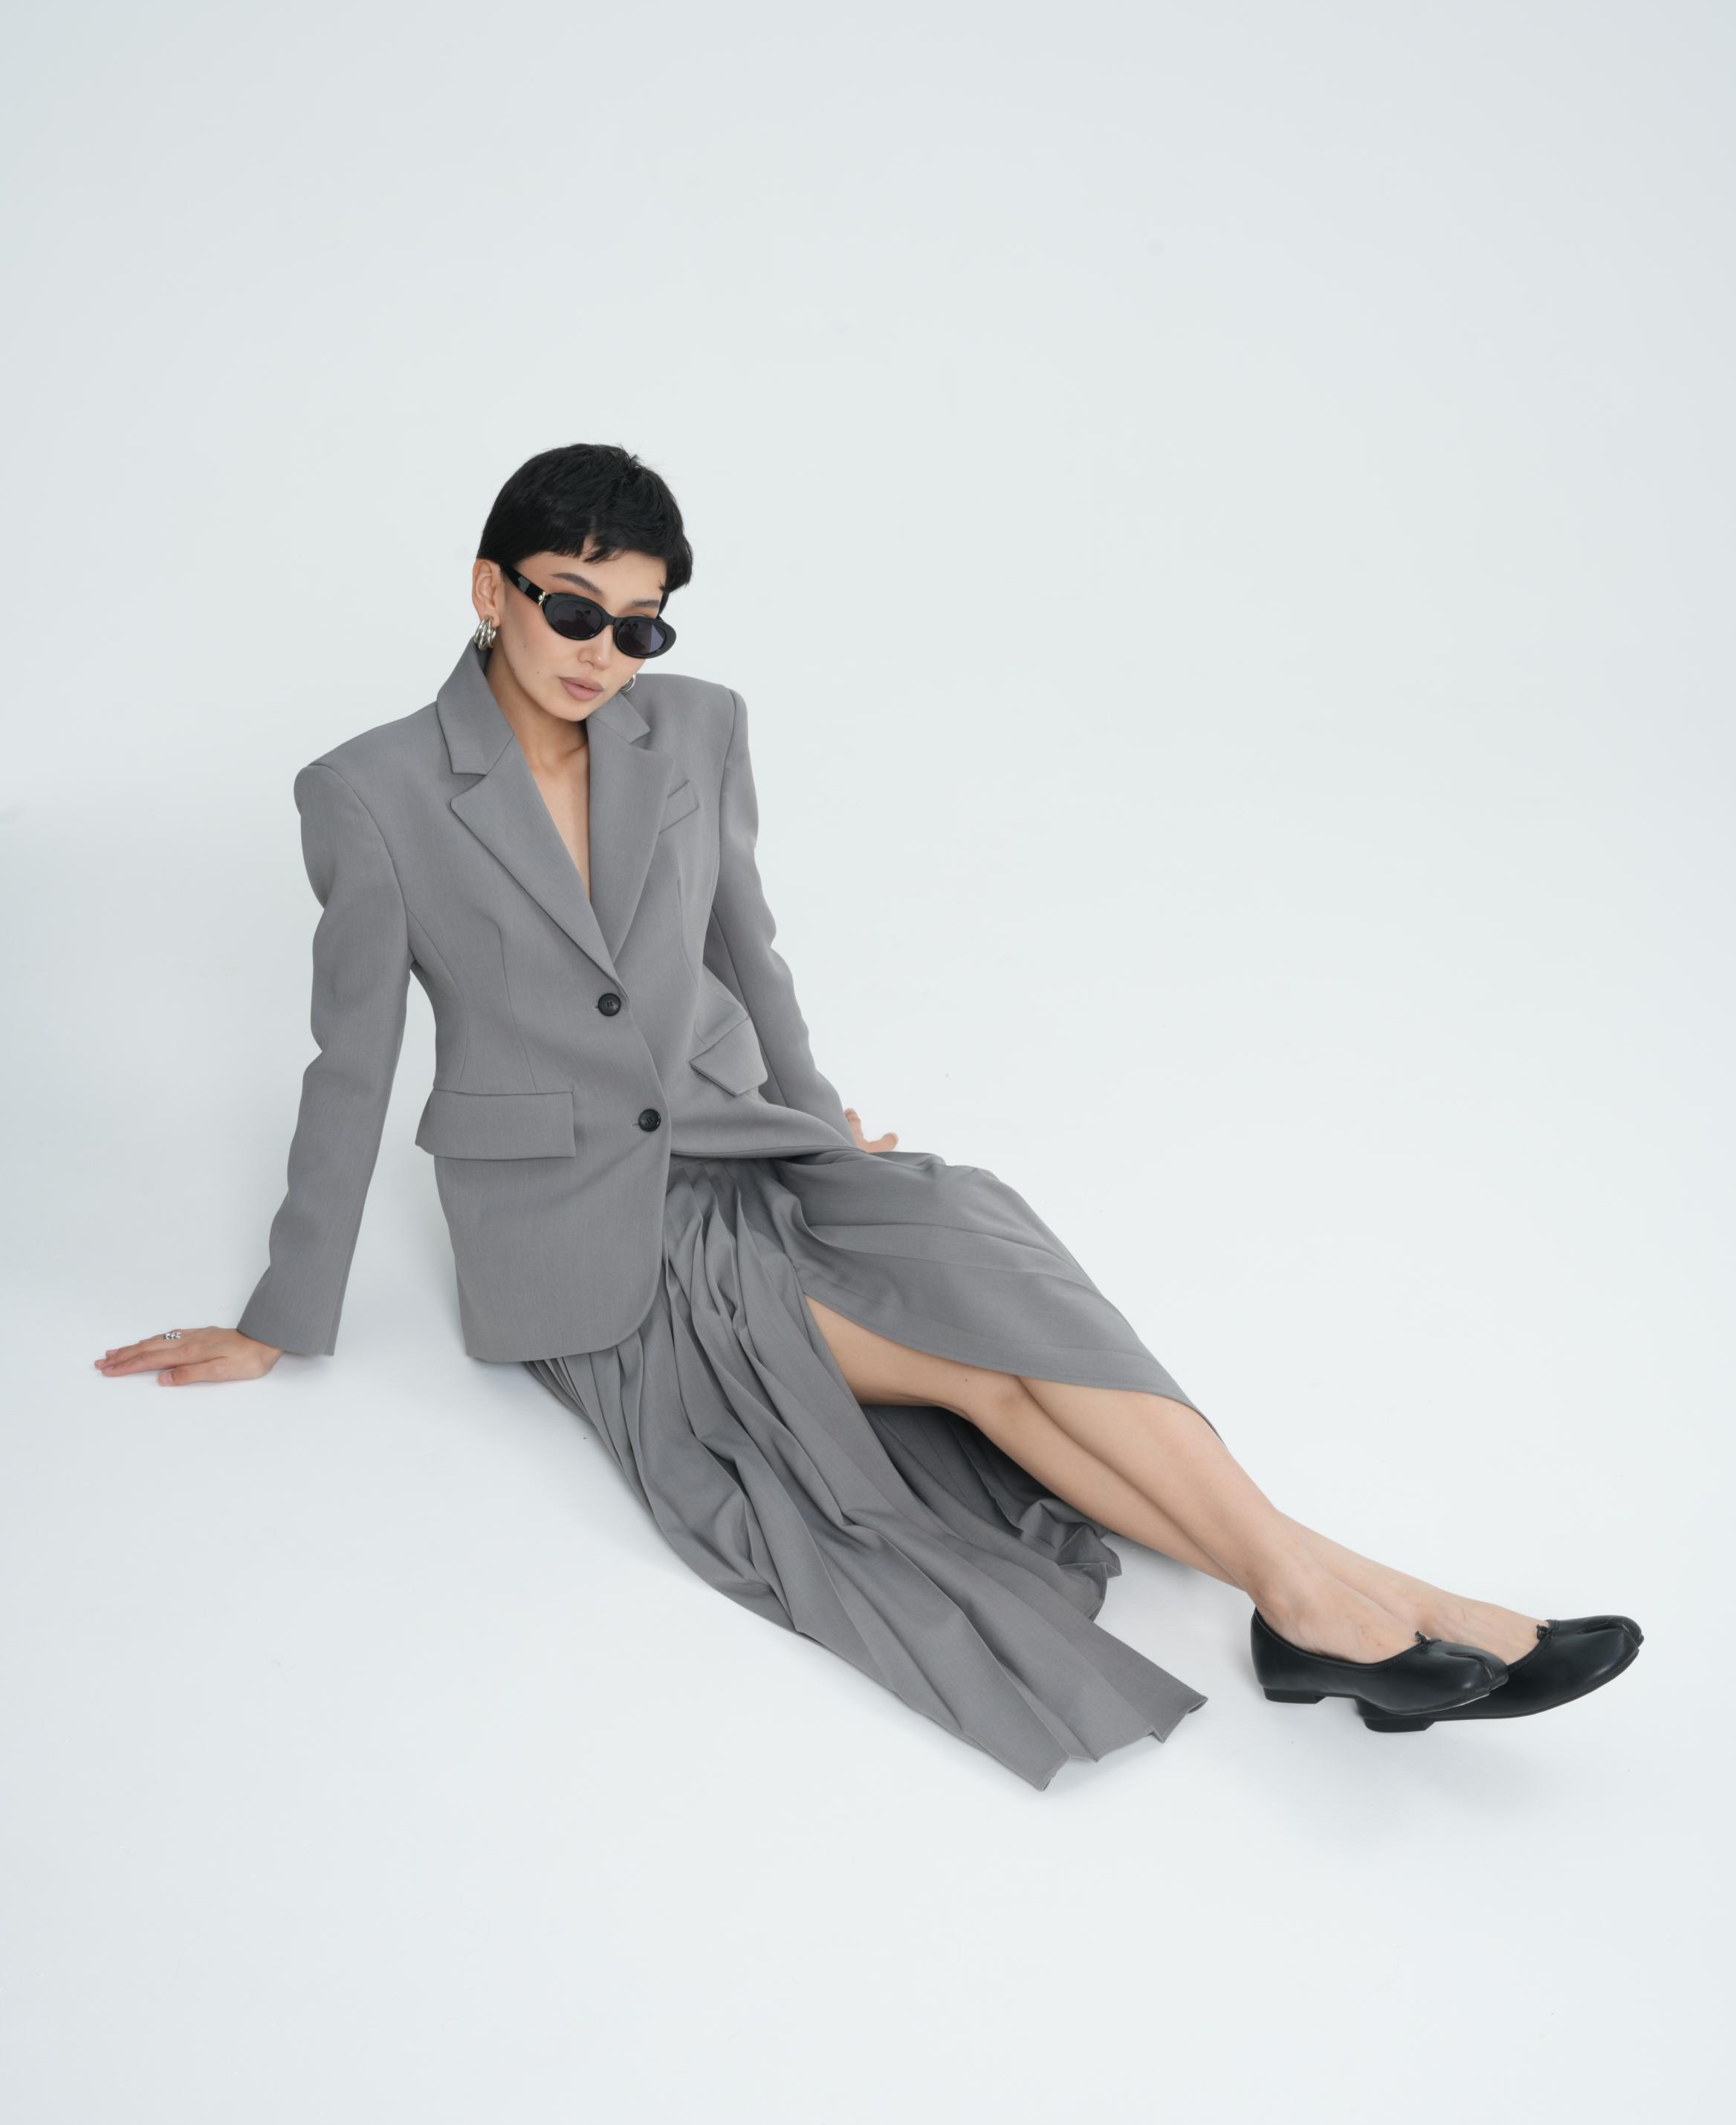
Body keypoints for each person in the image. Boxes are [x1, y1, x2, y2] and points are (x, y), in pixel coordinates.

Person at [94, 443, 1642, 1788]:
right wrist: (282, 1317)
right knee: (989, 1371)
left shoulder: (696, 729)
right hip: (577, 1229)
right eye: (573, 608)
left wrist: (819, 1125)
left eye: (638, 623)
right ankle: (1369, 1610)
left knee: (989, 1258)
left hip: (751, 1148)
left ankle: (1329, 1607)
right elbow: (351, 1060)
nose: (604, 651)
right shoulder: (369, 791)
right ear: (491, 589)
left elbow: (748, 955)